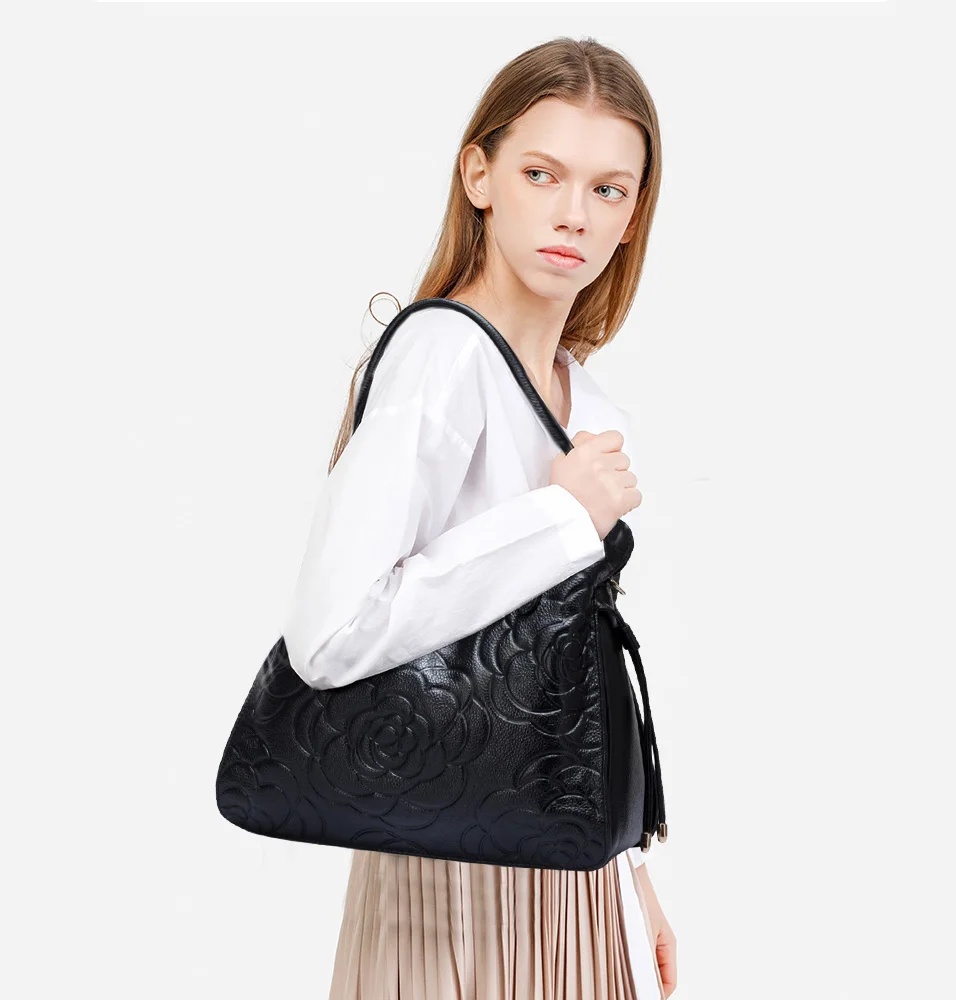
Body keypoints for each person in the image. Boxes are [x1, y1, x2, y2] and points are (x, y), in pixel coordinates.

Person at [281, 35, 677, 1000]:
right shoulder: (443, 357)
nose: (574, 214)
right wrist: (560, 518)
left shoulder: (587, 400)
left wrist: (629, 871)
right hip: (453, 873)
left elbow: (569, 666)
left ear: (632, 217)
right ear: (480, 176)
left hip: (570, 870)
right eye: (542, 174)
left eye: (609, 189)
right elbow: (329, 635)